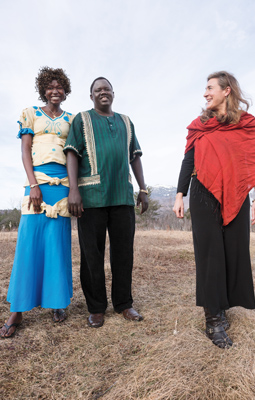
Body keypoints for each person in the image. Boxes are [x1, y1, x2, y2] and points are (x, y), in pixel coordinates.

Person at [173, 71, 255, 349]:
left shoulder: (248, 124)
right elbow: (188, 160)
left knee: (234, 250)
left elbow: (254, 163)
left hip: (237, 193)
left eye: (210, 87)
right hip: (202, 192)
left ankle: (224, 304)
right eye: (205, 88)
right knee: (210, 252)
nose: (205, 93)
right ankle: (213, 318)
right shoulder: (199, 125)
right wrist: (180, 194)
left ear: (227, 91)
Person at [63, 77, 148, 328]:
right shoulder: (82, 119)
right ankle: (96, 307)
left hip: (122, 195)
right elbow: (71, 153)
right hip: (91, 197)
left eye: (106, 89)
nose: (103, 92)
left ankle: (124, 304)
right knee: (92, 254)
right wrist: (73, 190)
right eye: (97, 90)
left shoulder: (125, 121)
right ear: (91, 96)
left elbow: (135, 157)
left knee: (124, 253)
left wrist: (142, 189)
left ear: (113, 93)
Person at [0, 67, 74, 338]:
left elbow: (74, 155)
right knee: (28, 245)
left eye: (60, 87)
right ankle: (17, 311)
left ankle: (57, 303)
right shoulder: (30, 113)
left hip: (62, 187)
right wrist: (33, 185)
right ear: (43, 89)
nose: (55, 91)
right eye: (50, 86)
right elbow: (25, 150)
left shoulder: (72, 119)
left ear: (65, 90)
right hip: (37, 185)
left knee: (57, 246)